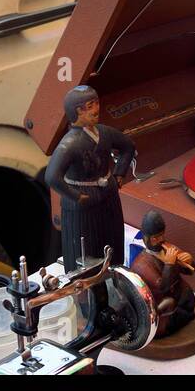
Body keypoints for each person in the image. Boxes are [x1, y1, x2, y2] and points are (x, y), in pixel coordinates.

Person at [44, 85, 137, 271]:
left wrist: (119, 173)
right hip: (82, 202)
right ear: (78, 111)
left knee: (113, 242)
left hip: (108, 193)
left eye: (96, 103)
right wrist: (76, 196)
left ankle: (115, 277)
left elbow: (128, 146)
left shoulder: (104, 132)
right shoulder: (69, 144)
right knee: (84, 252)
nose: (97, 109)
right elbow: (52, 176)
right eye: (90, 105)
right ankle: (85, 290)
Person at [129, 211, 195, 338]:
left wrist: (189, 261)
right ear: (146, 239)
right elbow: (163, 287)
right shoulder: (141, 264)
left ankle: (185, 316)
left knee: (187, 294)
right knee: (169, 304)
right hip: (159, 303)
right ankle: (167, 329)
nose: (160, 240)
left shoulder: (168, 248)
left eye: (161, 235)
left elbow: (191, 270)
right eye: (155, 238)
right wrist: (170, 265)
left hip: (178, 295)